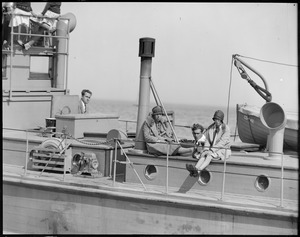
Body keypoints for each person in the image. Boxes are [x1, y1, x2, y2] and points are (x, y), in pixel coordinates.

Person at [186, 110, 231, 177]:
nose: (216, 121)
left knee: (209, 156)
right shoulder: (211, 128)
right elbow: (207, 141)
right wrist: (206, 150)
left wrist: (211, 150)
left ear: (221, 120)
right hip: (212, 148)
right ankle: (195, 169)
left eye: (218, 119)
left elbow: (222, 143)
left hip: (222, 150)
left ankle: (198, 170)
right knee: (203, 155)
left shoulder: (226, 129)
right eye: (215, 119)